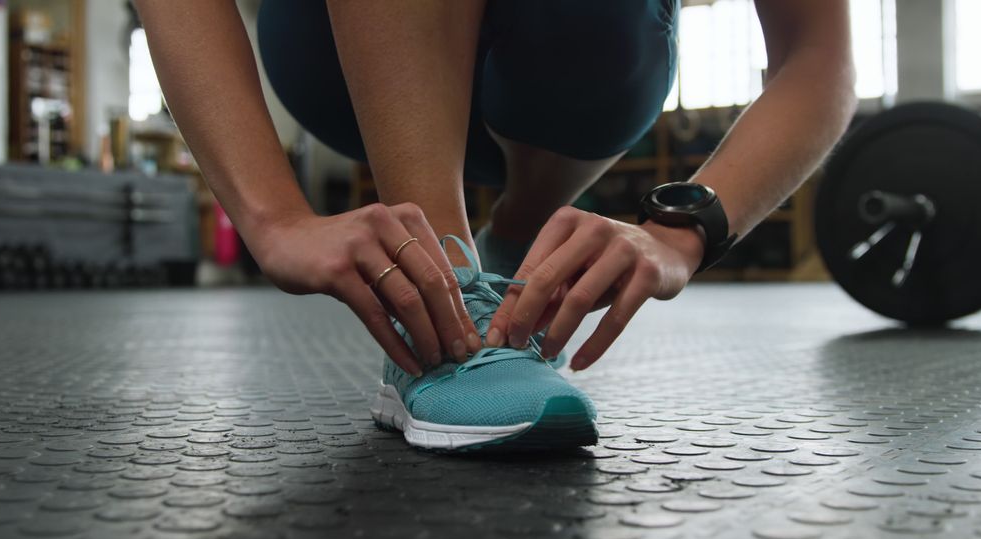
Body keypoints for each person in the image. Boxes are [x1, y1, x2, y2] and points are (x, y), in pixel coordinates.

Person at [133, 0, 856, 451]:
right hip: (330, 50)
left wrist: (682, 230)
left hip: (582, 61)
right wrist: (273, 216)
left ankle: (517, 237)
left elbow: (817, 51)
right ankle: (443, 290)